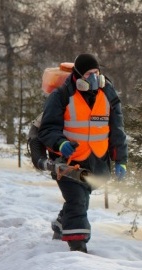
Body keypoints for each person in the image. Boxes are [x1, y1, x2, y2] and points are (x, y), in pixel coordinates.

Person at [38, 53, 128, 253]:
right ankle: (78, 246)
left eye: (97, 73)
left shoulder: (108, 94)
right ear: (78, 75)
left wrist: (121, 160)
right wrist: (60, 144)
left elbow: (117, 131)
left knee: (81, 200)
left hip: (97, 162)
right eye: (89, 74)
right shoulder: (61, 95)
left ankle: (61, 225)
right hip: (67, 162)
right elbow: (47, 129)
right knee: (77, 200)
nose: (94, 78)